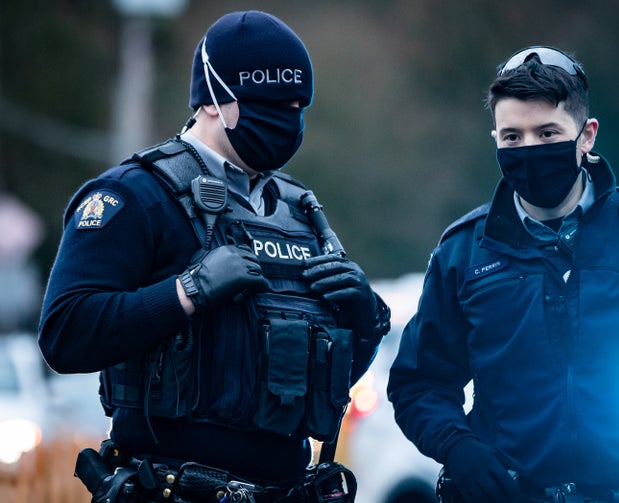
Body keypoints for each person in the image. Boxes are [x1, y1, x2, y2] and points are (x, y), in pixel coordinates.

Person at [38, 10, 390, 503]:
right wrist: (185, 293)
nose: (286, 120)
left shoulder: (302, 213)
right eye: (269, 104)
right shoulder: (135, 197)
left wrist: (366, 323)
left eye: (296, 105)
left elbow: (309, 380)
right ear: (211, 101)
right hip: (171, 487)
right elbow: (64, 334)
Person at [387, 46, 619, 503]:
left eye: (547, 133)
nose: (529, 150)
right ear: (496, 139)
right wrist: (459, 448)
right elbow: (418, 384)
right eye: (512, 137)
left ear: (586, 136)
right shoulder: (462, 250)